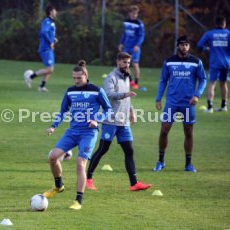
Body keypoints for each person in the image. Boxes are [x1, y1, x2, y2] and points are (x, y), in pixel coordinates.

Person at [43, 60, 112, 210]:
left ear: (86, 76)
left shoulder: (97, 90)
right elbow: (63, 111)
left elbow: (109, 109)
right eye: (74, 78)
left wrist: (97, 119)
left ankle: (78, 201)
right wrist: (53, 126)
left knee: (80, 164)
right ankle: (58, 186)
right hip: (72, 132)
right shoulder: (70, 91)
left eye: (78, 78)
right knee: (53, 157)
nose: (76, 81)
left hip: (88, 133)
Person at [86, 52, 151, 191]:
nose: (127, 65)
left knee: (129, 150)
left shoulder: (127, 77)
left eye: (128, 63)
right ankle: (88, 179)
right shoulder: (111, 77)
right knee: (103, 149)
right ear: (117, 62)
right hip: (110, 121)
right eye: (124, 62)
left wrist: (131, 111)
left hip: (124, 122)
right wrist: (125, 94)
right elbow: (109, 94)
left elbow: (127, 98)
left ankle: (134, 183)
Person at [153, 35, 207, 173]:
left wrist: (197, 95)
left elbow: (203, 80)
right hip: (171, 102)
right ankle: (160, 161)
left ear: (189, 47)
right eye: (182, 44)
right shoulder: (169, 62)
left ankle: (188, 164)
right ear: (177, 46)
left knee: (188, 132)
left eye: (187, 45)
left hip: (188, 103)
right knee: (164, 130)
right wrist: (158, 98)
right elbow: (163, 81)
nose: (184, 47)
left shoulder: (196, 62)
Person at [197, 16, 230, 112]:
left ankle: (210, 107)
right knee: (223, 83)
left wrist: (206, 49)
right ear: (224, 24)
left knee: (212, 83)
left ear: (216, 24)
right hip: (226, 62)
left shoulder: (210, 34)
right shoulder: (229, 34)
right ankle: (224, 106)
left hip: (215, 62)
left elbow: (199, 45)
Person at [24, 4, 58, 92]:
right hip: (45, 48)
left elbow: (42, 33)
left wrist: (53, 39)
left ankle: (42, 86)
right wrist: (50, 42)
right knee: (50, 69)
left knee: (49, 69)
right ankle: (30, 77)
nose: (56, 12)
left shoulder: (51, 22)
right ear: (51, 12)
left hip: (48, 48)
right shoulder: (47, 21)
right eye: (55, 10)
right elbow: (43, 32)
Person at [118, 5, 145, 90]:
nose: (135, 15)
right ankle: (130, 81)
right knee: (125, 64)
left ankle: (136, 83)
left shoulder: (139, 24)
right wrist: (121, 43)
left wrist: (138, 45)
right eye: (133, 13)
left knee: (135, 64)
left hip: (135, 48)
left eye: (136, 14)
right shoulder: (126, 22)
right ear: (129, 13)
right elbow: (124, 34)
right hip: (127, 47)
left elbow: (141, 36)